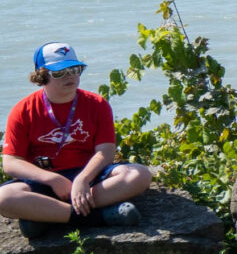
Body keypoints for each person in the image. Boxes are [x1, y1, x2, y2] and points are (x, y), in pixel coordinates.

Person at [1, 43, 152, 231]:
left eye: (75, 69)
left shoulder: (97, 104)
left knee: (140, 175)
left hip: (89, 178)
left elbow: (105, 151)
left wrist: (83, 179)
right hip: (44, 182)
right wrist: (52, 179)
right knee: (4, 198)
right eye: (59, 72)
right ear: (41, 76)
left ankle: (48, 216)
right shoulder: (23, 110)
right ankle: (99, 216)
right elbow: (11, 162)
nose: (70, 76)